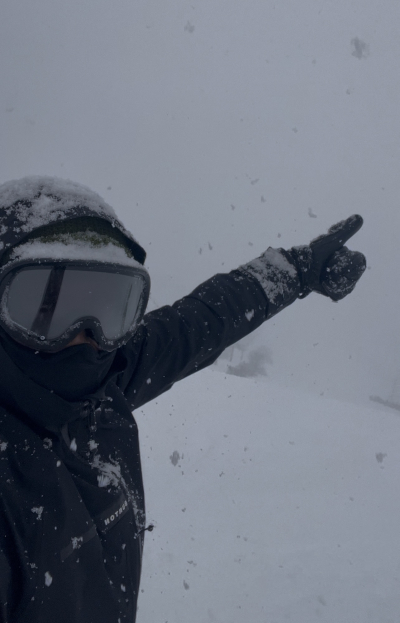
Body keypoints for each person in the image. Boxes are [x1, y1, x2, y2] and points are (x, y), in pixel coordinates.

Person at [0, 176, 366, 623]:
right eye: (44, 307)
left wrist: (295, 269)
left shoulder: (106, 386)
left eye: (109, 307)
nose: (84, 336)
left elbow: (202, 320)